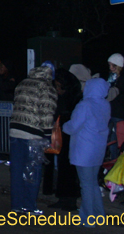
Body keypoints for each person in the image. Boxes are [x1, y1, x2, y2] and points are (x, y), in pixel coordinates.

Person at [9, 63, 58, 215]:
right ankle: (29, 205)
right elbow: (47, 113)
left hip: (16, 130)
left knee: (17, 170)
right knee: (32, 171)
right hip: (33, 134)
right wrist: (48, 136)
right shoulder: (47, 87)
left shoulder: (23, 83)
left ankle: (17, 204)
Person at [62, 77, 110, 227]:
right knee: (93, 183)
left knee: (86, 184)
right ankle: (99, 216)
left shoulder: (85, 105)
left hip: (84, 150)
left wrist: (64, 126)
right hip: (97, 149)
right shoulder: (105, 105)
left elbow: (74, 126)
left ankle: (88, 218)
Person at [47, 68, 83, 211]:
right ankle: (63, 197)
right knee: (62, 168)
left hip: (70, 138)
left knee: (68, 169)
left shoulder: (73, 99)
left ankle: (69, 199)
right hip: (61, 136)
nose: (57, 89)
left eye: (59, 86)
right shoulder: (63, 98)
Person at [105, 53, 124, 160]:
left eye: (112, 65)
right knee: (108, 138)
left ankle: (115, 161)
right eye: (109, 65)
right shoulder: (112, 77)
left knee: (117, 139)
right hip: (110, 112)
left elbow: (119, 94)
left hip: (119, 113)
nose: (110, 68)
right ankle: (110, 160)